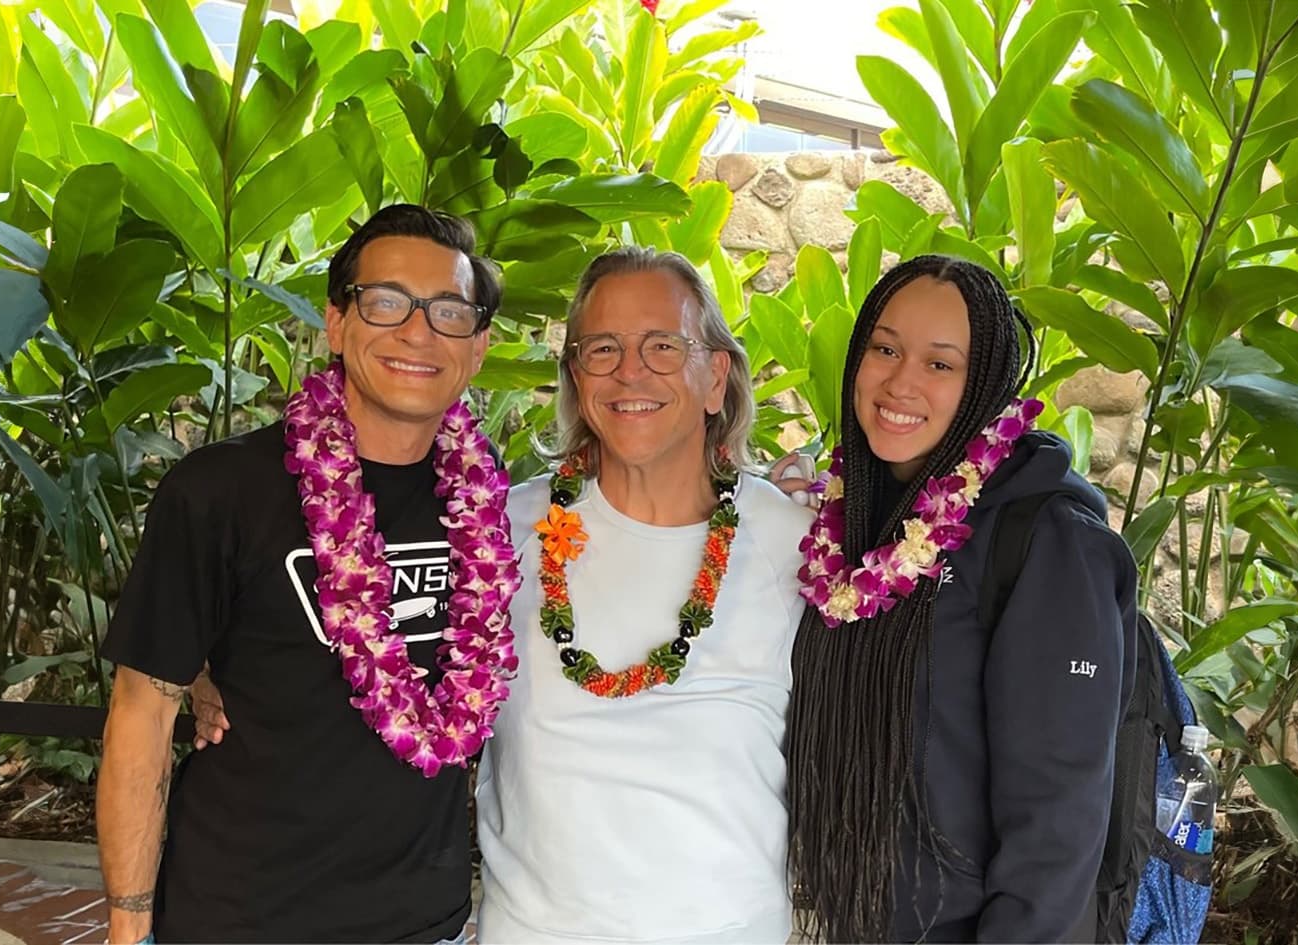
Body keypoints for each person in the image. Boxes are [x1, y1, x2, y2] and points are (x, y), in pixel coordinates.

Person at [95, 203, 518, 945]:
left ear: (477, 345)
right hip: (238, 921)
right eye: (387, 302)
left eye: (448, 310)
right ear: (337, 322)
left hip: (425, 926)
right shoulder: (220, 490)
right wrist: (129, 928)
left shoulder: (493, 509)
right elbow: (141, 710)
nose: (417, 332)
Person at [782, 255, 1138, 943]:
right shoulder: (848, 515)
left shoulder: (1045, 538)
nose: (900, 382)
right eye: (884, 348)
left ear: (985, 384)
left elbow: (1056, 819)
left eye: (940, 364)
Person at [474, 247, 813, 943]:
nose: (631, 371)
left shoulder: (798, 541)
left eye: (663, 345)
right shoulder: (499, 531)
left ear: (715, 376)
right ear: (575, 375)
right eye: (602, 348)